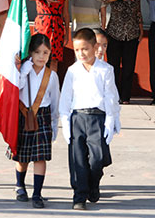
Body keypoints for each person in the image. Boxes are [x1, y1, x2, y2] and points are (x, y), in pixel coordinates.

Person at [59, 28, 120, 210]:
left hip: (97, 118)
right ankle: (79, 196)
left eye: (85, 49)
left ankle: (93, 183)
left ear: (95, 47)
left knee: (97, 159)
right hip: (77, 117)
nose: (81, 53)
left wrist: (111, 119)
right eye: (77, 50)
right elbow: (66, 97)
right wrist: (65, 121)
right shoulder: (72, 70)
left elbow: (110, 96)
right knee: (77, 159)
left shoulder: (105, 70)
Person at [8, 33, 60, 209]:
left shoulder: (51, 76)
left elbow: (55, 101)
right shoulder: (24, 70)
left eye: (45, 52)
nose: (41, 57)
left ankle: (37, 193)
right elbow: (17, 87)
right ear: (30, 53)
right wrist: (24, 70)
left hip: (43, 117)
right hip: (23, 115)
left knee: (40, 157)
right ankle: (20, 185)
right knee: (22, 156)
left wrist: (54, 123)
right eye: (37, 52)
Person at [102, 0, 144, 104]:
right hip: (114, 34)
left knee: (128, 67)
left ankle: (125, 97)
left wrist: (141, 28)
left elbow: (138, 11)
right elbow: (104, 0)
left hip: (131, 34)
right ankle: (113, 96)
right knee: (113, 67)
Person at [28, 0, 70, 73]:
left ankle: (51, 86)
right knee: (39, 56)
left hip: (57, 28)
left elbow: (65, 14)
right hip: (42, 26)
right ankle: (39, 85)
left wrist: (67, 33)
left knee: (54, 59)